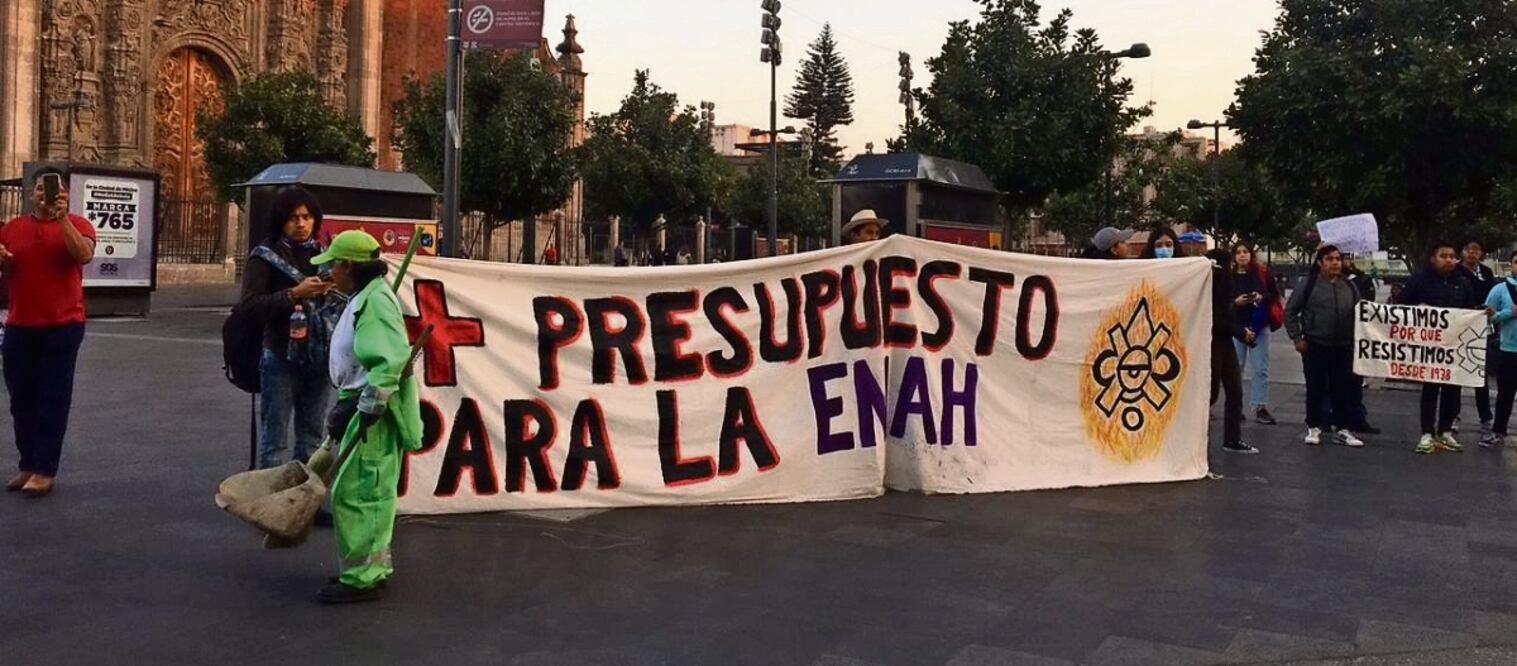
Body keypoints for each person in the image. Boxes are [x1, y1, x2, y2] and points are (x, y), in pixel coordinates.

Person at [310, 230, 422, 604]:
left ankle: (362, 577)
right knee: (364, 490)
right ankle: (368, 568)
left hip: (369, 408)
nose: (329, 272)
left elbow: (387, 363)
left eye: (333, 264)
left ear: (349, 266)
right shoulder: (365, 297)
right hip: (357, 401)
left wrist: (369, 407)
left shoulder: (374, 303)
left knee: (360, 493)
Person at [0, 166, 97, 497]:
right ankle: (28, 463)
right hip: (19, 324)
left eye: (54, 189)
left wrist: (62, 219)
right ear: (31, 194)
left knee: (52, 398)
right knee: (21, 399)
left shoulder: (79, 225)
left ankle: (44, 469)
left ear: (66, 194)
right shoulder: (11, 229)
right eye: (41, 189)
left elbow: (83, 255)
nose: (47, 194)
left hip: (63, 325)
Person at [239, 186, 335, 469]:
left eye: (307, 217)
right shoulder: (264, 256)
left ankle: (305, 507)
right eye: (294, 218)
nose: (301, 224)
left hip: (318, 359)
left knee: (312, 440)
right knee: (274, 443)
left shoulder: (323, 255)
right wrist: (294, 294)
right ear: (281, 220)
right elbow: (249, 306)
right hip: (280, 356)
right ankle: (274, 508)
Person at [1399, 241, 1483, 454]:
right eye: (1443, 255)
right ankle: (1427, 432)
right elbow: (1401, 307)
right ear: (1433, 258)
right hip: (1428, 347)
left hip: (1453, 347)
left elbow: (1470, 311)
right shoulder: (1419, 281)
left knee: (1453, 389)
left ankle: (1445, 430)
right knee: (1430, 389)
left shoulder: (1463, 282)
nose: (1449, 260)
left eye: (1452, 256)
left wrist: (1482, 314)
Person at [1284, 245, 1366, 448]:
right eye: (1330, 259)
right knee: (1315, 387)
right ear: (1320, 262)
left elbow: (1361, 313)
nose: (1336, 262)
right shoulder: (1308, 284)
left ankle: (1342, 429)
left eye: (1338, 258)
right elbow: (1291, 311)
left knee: (1342, 388)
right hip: (1315, 344)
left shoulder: (1349, 285)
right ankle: (1313, 426)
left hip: (1343, 346)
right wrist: (1297, 337)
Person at [1179, 238, 1256, 453]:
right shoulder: (1211, 289)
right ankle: (1195, 438)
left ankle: (1231, 438)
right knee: (1211, 393)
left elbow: (1223, 316)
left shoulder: (1221, 288)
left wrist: (1239, 331)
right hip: (1211, 343)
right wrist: (1241, 332)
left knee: (1234, 390)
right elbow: (1216, 318)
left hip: (1223, 342)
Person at [1230, 242, 1281, 425]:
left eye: (1245, 252)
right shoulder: (1229, 276)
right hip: (1237, 327)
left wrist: (1261, 297)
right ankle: (1236, 407)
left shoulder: (1262, 273)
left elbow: (1274, 295)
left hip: (1259, 325)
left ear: (1251, 254)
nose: (1242, 255)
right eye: (1238, 252)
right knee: (1237, 368)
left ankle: (1260, 406)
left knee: (1260, 368)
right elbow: (1223, 301)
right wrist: (1235, 302)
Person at [1457, 239, 1498, 442]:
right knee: (1456, 374)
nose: (1473, 253)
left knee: (1480, 377)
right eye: (1469, 250)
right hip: (1460, 328)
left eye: (1477, 250)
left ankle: (1485, 418)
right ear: (1463, 252)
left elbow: (1492, 297)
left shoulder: (1487, 273)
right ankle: (1452, 415)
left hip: (1482, 330)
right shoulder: (1456, 271)